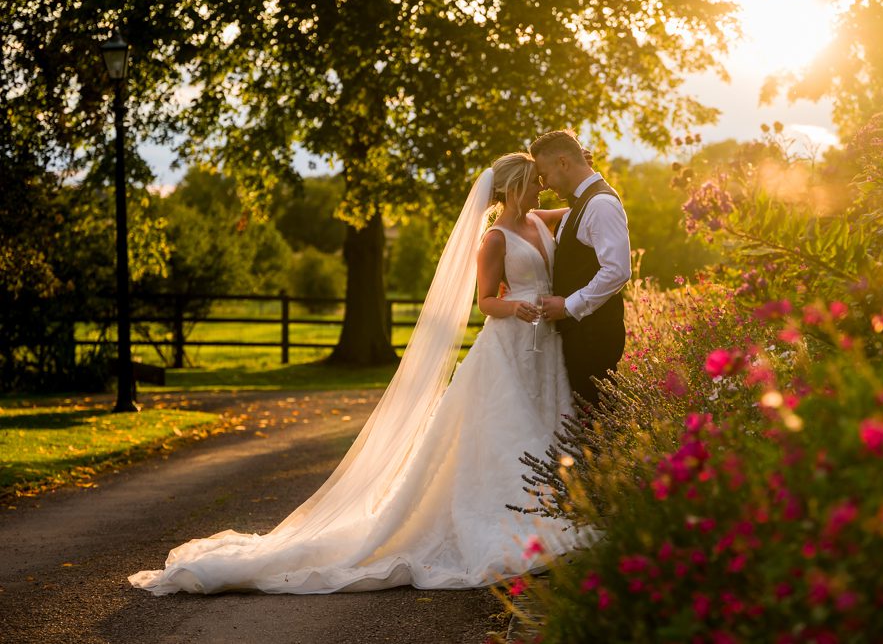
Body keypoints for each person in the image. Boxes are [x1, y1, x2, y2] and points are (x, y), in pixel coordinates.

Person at [128, 152, 579, 595]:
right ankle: (519, 522)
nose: (542, 184)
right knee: (509, 433)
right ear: (516, 186)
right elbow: (485, 301)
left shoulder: (541, 220)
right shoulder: (495, 239)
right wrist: (514, 306)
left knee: (544, 424)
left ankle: (551, 511)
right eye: (535, 179)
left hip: (544, 348)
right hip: (508, 345)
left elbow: (584, 201)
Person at [531, 130, 632, 410]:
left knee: (596, 424)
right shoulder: (581, 204)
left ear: (563, 163)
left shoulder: (600, 204)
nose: (544, 185)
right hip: (580, 336)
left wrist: (568, 306)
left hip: (593, 339)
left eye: (544, 175)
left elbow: (617, 271)